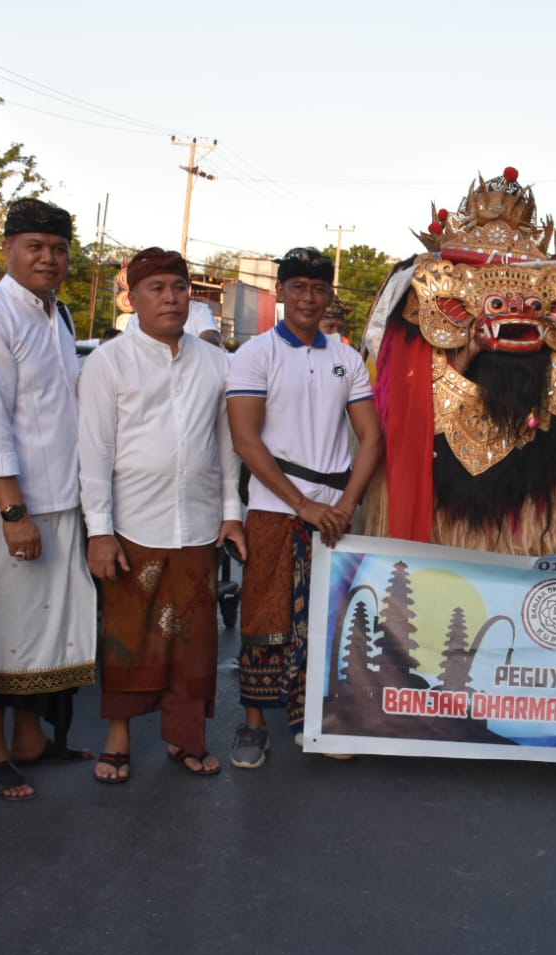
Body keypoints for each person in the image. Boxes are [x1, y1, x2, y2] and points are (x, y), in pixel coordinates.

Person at [0, 198, 97, 802]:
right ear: (8, 249)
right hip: (12, 507)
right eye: (35, 247)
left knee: (44, 628)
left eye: (58, 249)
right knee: (2, 628)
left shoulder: (55, 315)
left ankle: (31, 739)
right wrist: (12, 512)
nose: (48, 258)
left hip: (61, 499)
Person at [79, 248, 244, 784]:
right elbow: (94, 451)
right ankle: (118, 737)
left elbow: (227, 445)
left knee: (193, 639)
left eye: (178, 287)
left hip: (198, 524)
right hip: (133, 524)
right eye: (157, 288)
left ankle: (185, 738)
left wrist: (231, 513)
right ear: (133, 297)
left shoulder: (215, 362)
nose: (171, 298)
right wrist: (99, 531)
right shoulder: (109, 362)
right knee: (130, 636)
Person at [226, 247, 382, 768]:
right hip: (274, 507)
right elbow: (246, 440)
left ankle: (313, 720)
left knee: (329, 619)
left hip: (336, 510)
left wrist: (347, 503)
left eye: (318, 289)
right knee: (265, 615)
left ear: (328, 294)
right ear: (281, 292)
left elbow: (371, 437)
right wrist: (301, 504)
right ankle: (253, 725)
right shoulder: (256, 353)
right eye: (298, 288)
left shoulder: (347, 357)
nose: (309, 298)